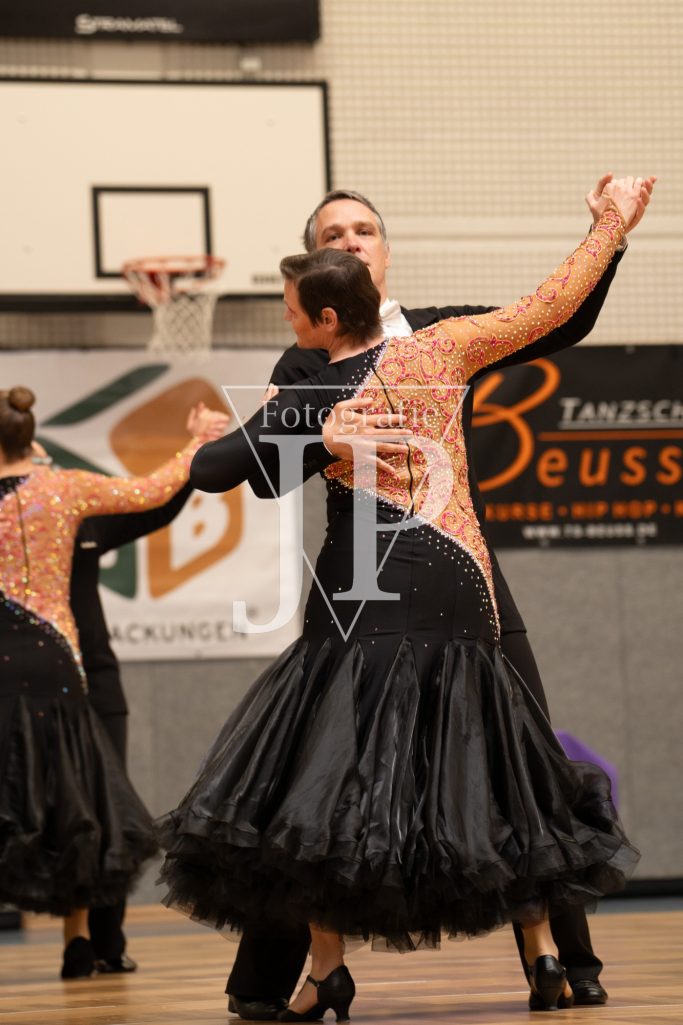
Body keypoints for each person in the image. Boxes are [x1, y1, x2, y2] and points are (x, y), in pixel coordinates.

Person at [158, 183, 642, 1018]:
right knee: (463, 761)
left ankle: (530, 959)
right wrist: (609, 223)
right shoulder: (401, 355)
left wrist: (301, 427)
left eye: (363, 229)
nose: (351, 240)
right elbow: (549, 304)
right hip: (408, 581)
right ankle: (299, 978)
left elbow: (219, 467)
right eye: (334, 232)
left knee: (388, 770)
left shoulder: (378, 352)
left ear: (326, 307)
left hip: (420, 586)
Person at [0, 389, 226, 978]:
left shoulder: (59, 490)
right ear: (30, 439)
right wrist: (196, 444)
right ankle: (79, 938)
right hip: (57, 667)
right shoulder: (64, 489)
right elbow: (151, 490)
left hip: (28, 674)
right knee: (76, 804)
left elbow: (152, 503)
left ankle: (91, 939)